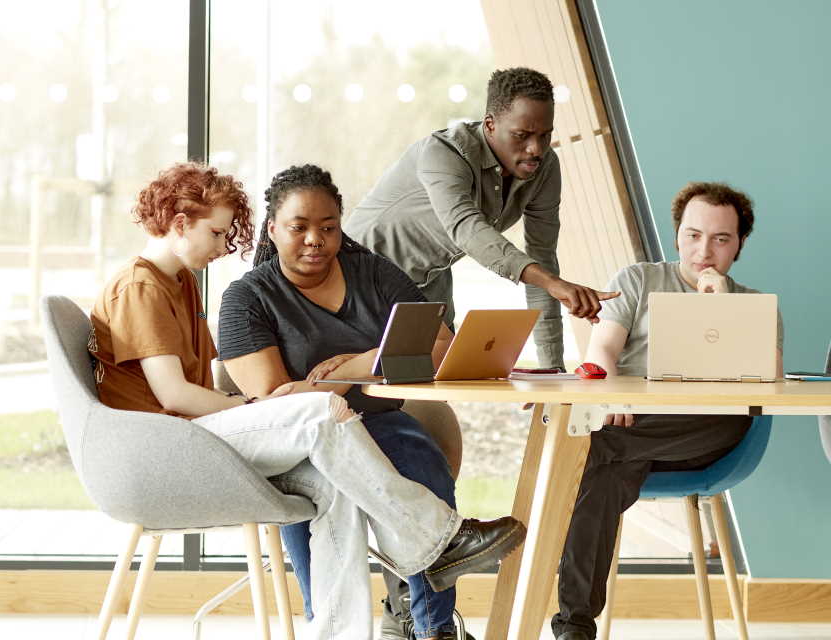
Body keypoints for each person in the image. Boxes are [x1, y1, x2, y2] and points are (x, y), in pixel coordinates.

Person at [87, 162, 526, 640]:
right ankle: (439, 538)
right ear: (179, 223)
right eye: (216, 233)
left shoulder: (180, 282)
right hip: (165, 447)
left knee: (331, 467)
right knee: (316, 413)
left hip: (198, 433)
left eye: (328, 227)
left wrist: (329, 382)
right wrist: (276, 406)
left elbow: (437, 344)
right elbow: (175, 395)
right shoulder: (144, 286)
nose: (223, 246)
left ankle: (348, 628)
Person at [217, 164, 516, 640]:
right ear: (273, 230)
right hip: (301, 446)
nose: (315, 239)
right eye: (299, 228)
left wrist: (358, 363)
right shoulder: (247, 298)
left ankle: (433, 628)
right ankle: (333, 621)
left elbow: (438, 345)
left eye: (329, 227)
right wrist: (368, 368)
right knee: (316, 489)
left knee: (421, 459)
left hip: (377, 421)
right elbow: (279, 403)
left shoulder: (374, 273)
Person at [550, 181, 784, 640]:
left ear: (739, 245)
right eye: (694, 235)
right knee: (605, 472)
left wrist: (718, 306)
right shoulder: (637, 280)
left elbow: (770, 379)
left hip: (709, 430)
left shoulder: (755, 305)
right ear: (677, 234)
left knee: (593, 450)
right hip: (634, 424)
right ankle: (575, 628)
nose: (705, 251)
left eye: (721, 239)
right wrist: (609, 393)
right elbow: (602, 350)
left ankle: (560, 614)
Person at [343, 66, 617, 373]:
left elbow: (543, 258)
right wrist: (552, 282)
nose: (535, 149)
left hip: (427, 283)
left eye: (545, 135)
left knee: (436, 381)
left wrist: (552, 370)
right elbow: (467, 230)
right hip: (359, 277)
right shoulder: (443, 152)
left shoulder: (545, 168)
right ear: (489, 124)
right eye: (522, 135)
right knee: (367, 383)